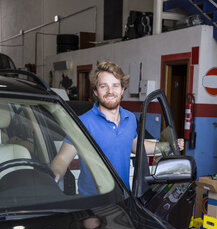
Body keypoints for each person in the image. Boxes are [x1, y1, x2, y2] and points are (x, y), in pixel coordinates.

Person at [51, 61, 184, 191]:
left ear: (122, 89)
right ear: (96, 92)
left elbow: (135, 145)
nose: (110, 91)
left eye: (115, 86)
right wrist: (52, 177)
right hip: (93, 203)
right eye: (103, 86)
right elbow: (62, 158)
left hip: (123, 198)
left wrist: (167, 146)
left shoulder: (130, 118)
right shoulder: (82, 122)